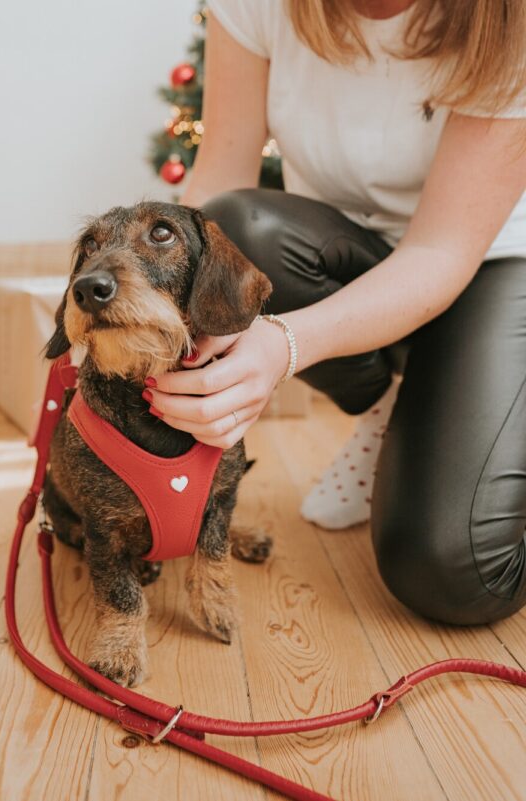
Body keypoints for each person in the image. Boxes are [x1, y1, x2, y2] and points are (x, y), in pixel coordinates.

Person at [145, 0, 526, 624]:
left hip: (490, 260)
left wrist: (283, 344)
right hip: (339, 249)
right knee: (237, 228)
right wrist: (151, 313)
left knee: (452, 571)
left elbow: (439, 251)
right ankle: (393, 405)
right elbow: (218, 178)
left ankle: (465, 401)